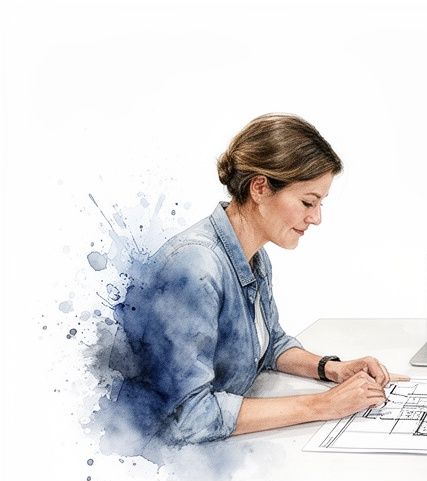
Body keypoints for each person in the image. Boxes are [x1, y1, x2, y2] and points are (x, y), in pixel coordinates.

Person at [100, 113, 408, 451]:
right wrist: (322, 405)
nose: (316, 218)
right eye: (308, 201)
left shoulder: (253, 256)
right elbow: (187, 417)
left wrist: (333, 369)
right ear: (260, 188)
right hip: (152, 462)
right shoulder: (195, 267)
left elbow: (269, 344)